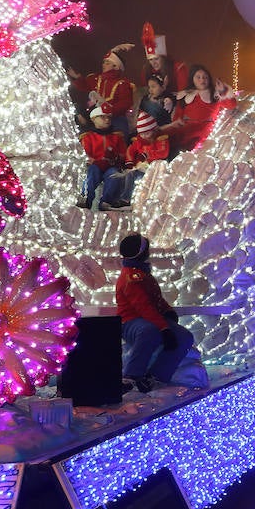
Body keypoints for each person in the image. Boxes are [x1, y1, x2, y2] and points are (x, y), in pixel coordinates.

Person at [116, 233, 195, 393]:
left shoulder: (142, 273)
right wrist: (164, 328)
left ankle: (156, 377)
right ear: (142, 253)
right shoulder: (132, 277)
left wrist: (167, 311)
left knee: (184, 337)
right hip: (131, 321)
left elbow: (155, 299)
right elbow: (143, 307)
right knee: (149, 331)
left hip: (152, 319)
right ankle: (131, 376)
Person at [69, 43, 137, 142]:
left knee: (119, 134)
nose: (103, 64)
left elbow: (126, 102)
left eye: (107, 63)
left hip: (115, 117)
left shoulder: (123, 83)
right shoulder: (97, 78)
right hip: (97, 116)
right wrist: (77, 78)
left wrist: (110, 110)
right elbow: (85, 86)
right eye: (104, 62)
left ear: (116, 67)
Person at [160, 64, 236, 152]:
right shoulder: (186, 94)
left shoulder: (215, 94)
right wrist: (176, 123)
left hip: (204, 128)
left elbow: (231, 105)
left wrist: (222, 91)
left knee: (193, 144)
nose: (202, 79)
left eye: (205, 77)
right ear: (192, 79)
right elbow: (179, 113)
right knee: (165, 138)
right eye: (198, 77)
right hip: (185, 126)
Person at [106, 111, 170, 206]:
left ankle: (143, 201)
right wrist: (129, 162)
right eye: (142, 134)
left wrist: (147, 155)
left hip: (154, 170)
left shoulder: (161, 140)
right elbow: (130, 151)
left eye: (147, 133)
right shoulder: (138, 141)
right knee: (128, 174)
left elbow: (163, 153)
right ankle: (125, 199)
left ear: (153, 130)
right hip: (139, 168)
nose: (144, 136)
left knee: (140, 179)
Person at [78, 106, 127, 210]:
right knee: (92, 172)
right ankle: (86, 199)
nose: (107, 120)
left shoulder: (116, 137)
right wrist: (95, 161)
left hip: (110, 166)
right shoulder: (88, 137)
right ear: (94, 119)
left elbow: (123, 154)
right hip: (95, 165)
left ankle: (107, 201)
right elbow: (86, 155)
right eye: (103, 117)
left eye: (109, 117)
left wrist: (116, 158)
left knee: (114, 174)